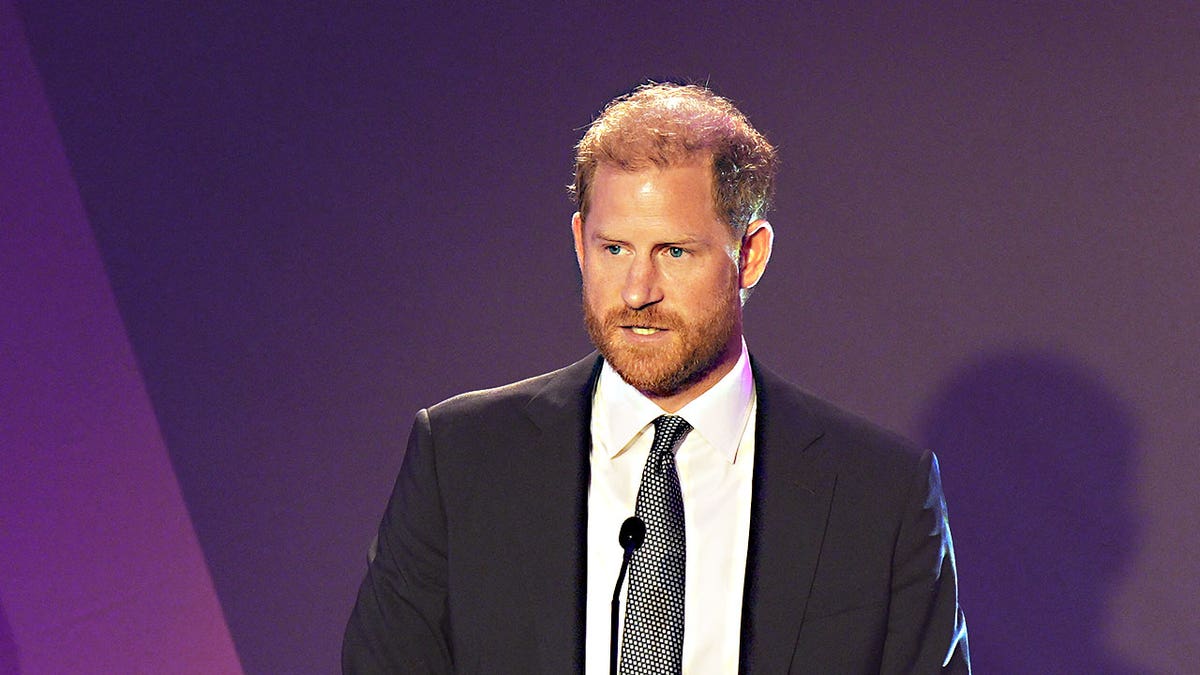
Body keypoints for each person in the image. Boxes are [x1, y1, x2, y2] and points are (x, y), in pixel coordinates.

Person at [343, 82, 969, 674]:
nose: (637, 292)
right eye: (614, 249)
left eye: (674, 252)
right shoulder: (461, 460)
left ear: (749, 255)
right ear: (579, 243)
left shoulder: (880, 494)